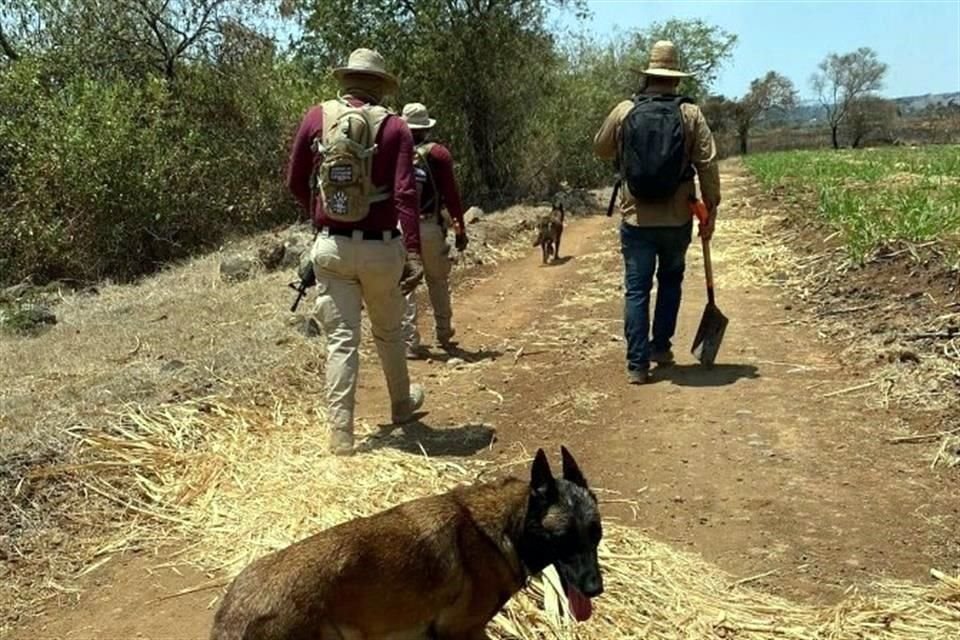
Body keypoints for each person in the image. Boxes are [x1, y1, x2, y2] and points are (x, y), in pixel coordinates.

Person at [286, 48, 425, 455]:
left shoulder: (317, 117)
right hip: (382, 249)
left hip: (331, 247)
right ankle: (401, 406)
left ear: (345, 81)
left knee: (341, 340)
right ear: (380, 86)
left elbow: (295, 179)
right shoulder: (396, 127)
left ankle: (342, 434)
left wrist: (321, 216)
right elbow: (404, 194)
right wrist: (413, 253)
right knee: (388, 332)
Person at [593, 40, 722, 384]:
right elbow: (707, 165)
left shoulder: (625, 110)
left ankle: (637, 365)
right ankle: (661, 347)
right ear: (676, 78)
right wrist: (711, 212)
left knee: (636, 290)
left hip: (636, 217)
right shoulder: (690, 113)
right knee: (670, 282)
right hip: (678, 217)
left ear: (648, 75)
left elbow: (601, 149)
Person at [398, 102, 468, 359]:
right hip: (430, 226)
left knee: (406, 286)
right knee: (438, 281)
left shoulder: (394, 152)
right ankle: (444, 334)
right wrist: (460, 229)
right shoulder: (439, 154)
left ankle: (409, 342)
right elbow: (452, 197)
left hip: (402, 228)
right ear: (426, 128)